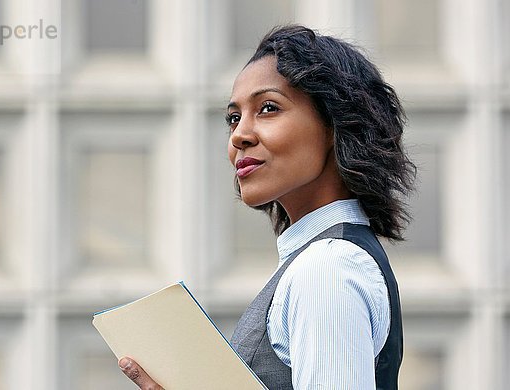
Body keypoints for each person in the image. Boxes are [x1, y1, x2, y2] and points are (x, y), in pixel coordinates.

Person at [117, 25, 415, 390]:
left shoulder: (327, 268)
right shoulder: (325, 261)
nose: (239, 134)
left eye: (268, 108)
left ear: (336, 125)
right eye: (233, 118)